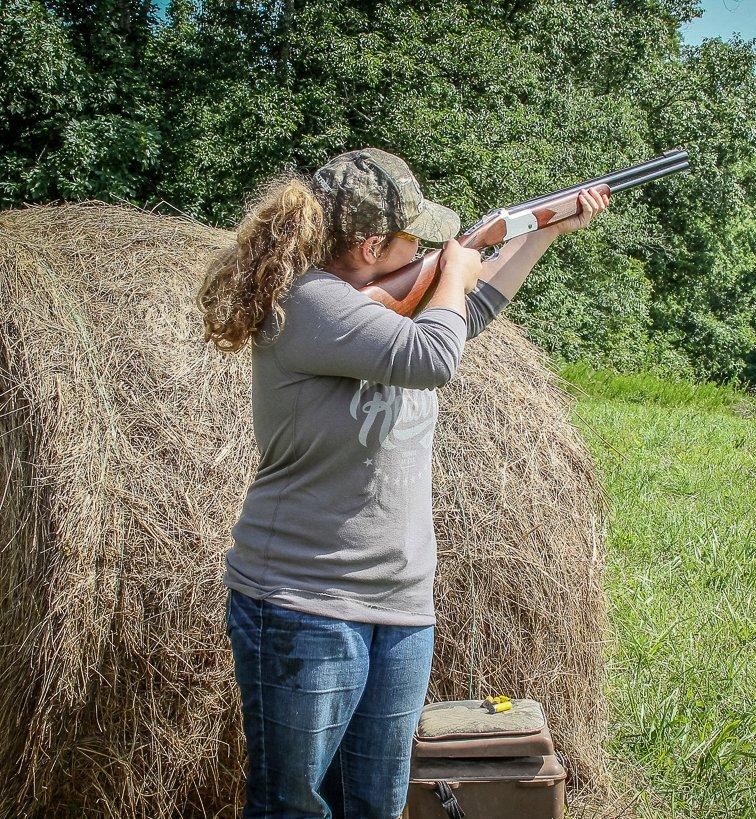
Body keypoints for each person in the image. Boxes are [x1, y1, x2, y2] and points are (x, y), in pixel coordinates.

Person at [196, 147, 609, 819]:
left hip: (400, 608)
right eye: (418, 238)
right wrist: (457, 267)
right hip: (305, 606)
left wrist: (540, 233)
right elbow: (434, 353)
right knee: (295, 808)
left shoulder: (381, 302)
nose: (433, 247)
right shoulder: (308, 305)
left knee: (378, 805)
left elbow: (462, 318)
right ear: (370, 245)